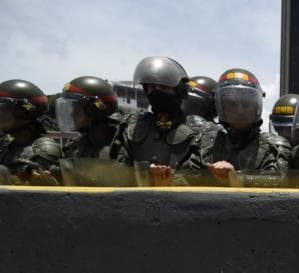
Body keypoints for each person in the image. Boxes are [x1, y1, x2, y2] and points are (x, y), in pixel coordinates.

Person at [112, 56, 202, 186]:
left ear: (180, 91)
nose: (156, 92)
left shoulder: (200, 132)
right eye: (152, 87)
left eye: (164, 88)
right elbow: (120, 172)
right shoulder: (131, 127)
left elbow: (199, 179)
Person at [196, 68, 282, 185]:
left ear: (256, 106)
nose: (240, 111)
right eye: (232, 104)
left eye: (246, 104)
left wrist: (237, 179)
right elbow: (185, 179)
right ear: (222, 107)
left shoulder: (274, 147)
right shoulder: (204, 144)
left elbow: (278, 184)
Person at [0, 78, 62, 184]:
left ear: (25, 113)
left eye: (4, 109)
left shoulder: (43, 150)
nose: (0, 114)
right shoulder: (10, 146)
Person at [57, 76, 121, 159]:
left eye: (77, 109)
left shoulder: (124, 145)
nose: (72, 114)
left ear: (94, 110)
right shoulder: (75, 147)